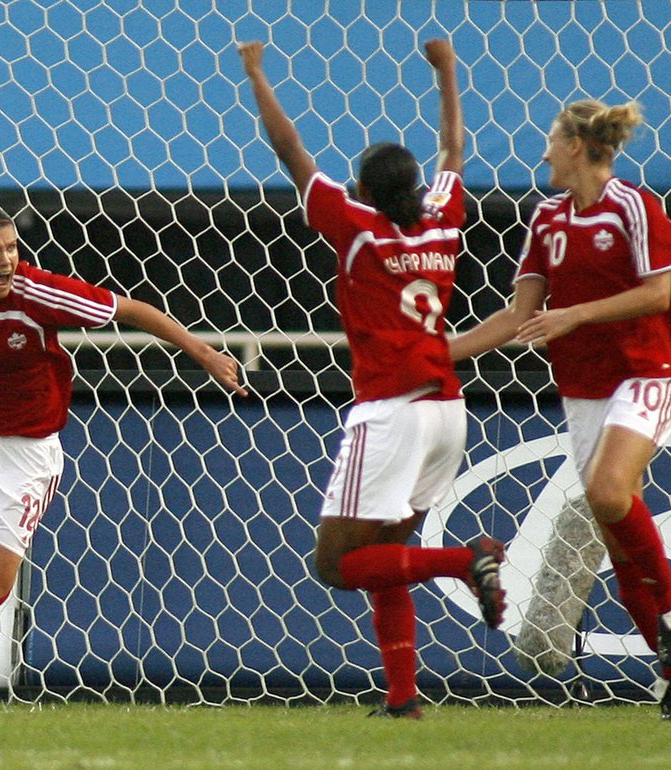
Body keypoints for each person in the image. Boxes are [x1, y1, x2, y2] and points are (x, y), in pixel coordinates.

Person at [0, 203, 247, 713]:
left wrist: (205, 354)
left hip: (28, 451)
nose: (7, 260)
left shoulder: (40, 293)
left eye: (12, 248)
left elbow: (135, 311)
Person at [240, 38, 505, 719]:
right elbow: (453, 149)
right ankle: (403, 697)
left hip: (390, 412)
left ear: (362, 192)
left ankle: (464, 560)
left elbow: (287, 147)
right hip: (448, 412)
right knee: (386, 552)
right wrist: (448, 71)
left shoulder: (355, 226)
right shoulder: (444, 217)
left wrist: (256, 73)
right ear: (414, 189)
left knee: (334, 565)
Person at [449, 99, 671, 721]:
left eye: (550, 141)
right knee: (618, 540)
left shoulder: (635, 208)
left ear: (578, 147)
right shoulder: (546, 219)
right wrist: (430, 357)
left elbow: (657, 293)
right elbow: (517, 316)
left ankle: (670, 614)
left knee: (611, 493)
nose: (542, 153)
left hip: (648, 372)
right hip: (584, 388)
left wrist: (576, 314)